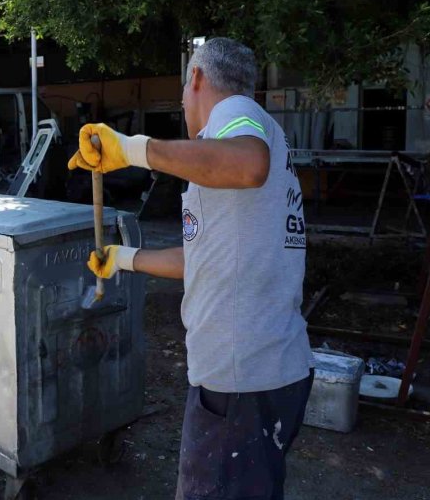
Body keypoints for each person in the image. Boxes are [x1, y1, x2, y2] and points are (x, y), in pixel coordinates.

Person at [69, 38, 314, 499]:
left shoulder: (235, 118)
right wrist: (123, 260)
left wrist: (133, 148)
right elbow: (201, 255)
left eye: (183, 87)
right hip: (266, 373)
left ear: (197, 78)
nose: (184, 100)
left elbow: (249, 165)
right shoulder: (244, 137)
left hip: (241, 379)